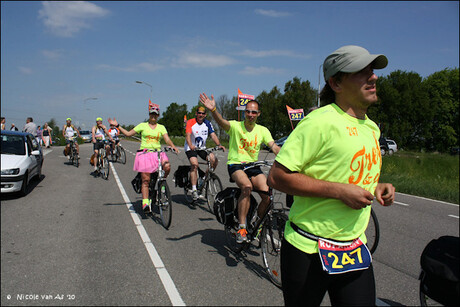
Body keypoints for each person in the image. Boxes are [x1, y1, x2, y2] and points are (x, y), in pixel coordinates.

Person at [267, 45, 396, 306]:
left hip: (353, 248)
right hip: (308, 249)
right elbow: (277, 177)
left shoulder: (371, 128)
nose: (374, 77)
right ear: (336, 82)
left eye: (373, 71)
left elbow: (346, 172)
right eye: (362, 72)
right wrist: (339, 191)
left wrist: (377, 185)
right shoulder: (318, 122)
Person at [199, 93, 281, 243]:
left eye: (254, 112)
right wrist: (213, 110)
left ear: (258, 114)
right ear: (245, 112)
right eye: (248, 111)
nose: (250, 114)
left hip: (253, 166)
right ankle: (242, 228)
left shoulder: (263, 130)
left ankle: (257, 224)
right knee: (247, 187)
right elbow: (222, 122)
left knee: (268, 196)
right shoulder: (236, 126)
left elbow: (274, 147)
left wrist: (291, 160)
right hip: (236, 164)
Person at [108, 101, 179, 213]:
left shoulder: (161, 127)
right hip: (145, 154)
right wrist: (117, 126)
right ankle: (145, 203)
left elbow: (167, 139)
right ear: (149, 115)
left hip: (157, 153)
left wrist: (173, 146)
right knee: (145, 180)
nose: (153, 116)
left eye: (155, 114)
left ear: (158, 115)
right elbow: (127, 134)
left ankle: (162, 183)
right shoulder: (142, 125)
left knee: (167, 167)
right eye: (152, 114)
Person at [184, 106, 225, 201]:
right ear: (196, 113)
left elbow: (213, 135)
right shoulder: (191, 122)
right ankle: (194, 189)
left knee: (214, 160)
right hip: (191, 148)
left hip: (201, 148)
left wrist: (219, 144)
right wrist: (190, 145)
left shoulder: (207, 123)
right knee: (194, 164)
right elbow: (188, 135)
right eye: (199, 113)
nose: (201, 115)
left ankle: (203, 179)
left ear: (205, 115)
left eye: (203, 113)